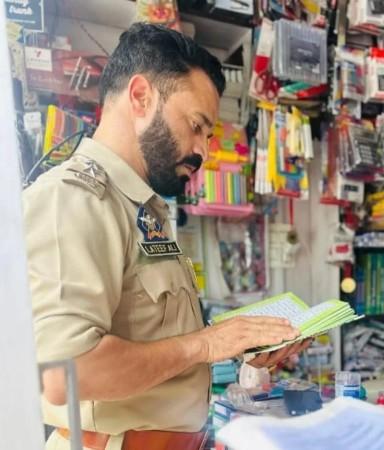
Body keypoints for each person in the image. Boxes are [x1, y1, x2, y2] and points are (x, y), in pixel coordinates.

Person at [23, 23, 310, 450]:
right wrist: (205, 344)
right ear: (141, 97)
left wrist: (238, 342)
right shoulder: (76, 200)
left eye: (209, 135)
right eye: (196, 125)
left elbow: (156, 340)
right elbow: (65, 373)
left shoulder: (141, 208)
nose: (204, 150)